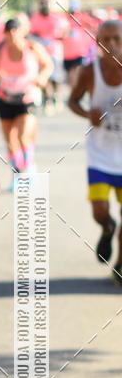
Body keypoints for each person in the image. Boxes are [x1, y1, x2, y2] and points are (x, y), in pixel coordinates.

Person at [67, 19, 122, 285]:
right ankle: (107, 227)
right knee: (100, 211)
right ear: (98, 42)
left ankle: (121, 263)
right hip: (100, 156)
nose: (111, 44)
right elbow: (72, 100)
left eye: (116, 39)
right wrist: (87, 113)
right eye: (105, 39)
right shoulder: (91, 72)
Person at [0, 17, 52, 188]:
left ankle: (29, 168)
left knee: (23, 136)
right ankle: (17, 173)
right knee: (10, 141)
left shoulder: (32, 47)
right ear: (5, 34)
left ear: (22, 32)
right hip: (5, 98)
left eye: (15, 32)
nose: (12, 36)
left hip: (27, 98)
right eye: (9, 33)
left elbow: (47, 65)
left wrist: (41, 77)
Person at [29, 0, 68, 112]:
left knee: (56, 77)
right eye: (42, 3)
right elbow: (31, 32)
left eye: (45, 3)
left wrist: (57, 37)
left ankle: (57, 97)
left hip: (55, 51)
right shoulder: (35, 18)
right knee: (45, 76)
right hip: (42, 52)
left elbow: (65, 31)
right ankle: (48, 99)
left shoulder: (56, 18)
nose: (44, 5)